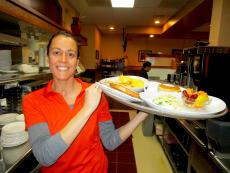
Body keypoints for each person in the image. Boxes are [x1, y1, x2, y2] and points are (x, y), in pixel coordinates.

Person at [22, 31, 149, 173]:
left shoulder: (94, 93)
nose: (63, 59)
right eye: (56, 52)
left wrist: (142, 114)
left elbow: (110, 141)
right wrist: (87, 109)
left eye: (70, 54)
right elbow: (44, 156)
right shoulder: (32, 101)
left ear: (77, 62)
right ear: (47, 59)